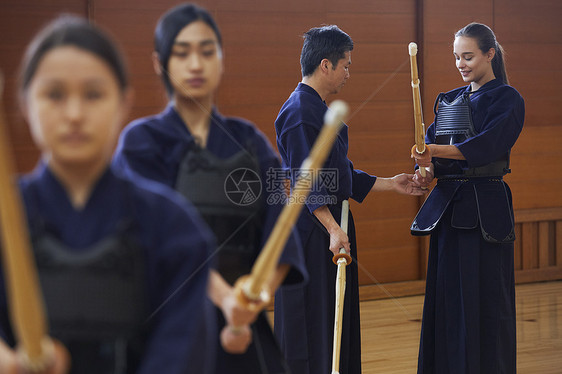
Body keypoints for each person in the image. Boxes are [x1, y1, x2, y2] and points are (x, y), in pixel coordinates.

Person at [0, 15, 217, 374]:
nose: (74, 114)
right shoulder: (7, 214)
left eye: (93, 94)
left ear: (123, 102)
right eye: (54, 94)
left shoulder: (175, 228)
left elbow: (182, 356)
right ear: (25, 103)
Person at [112, 3, 306, 373]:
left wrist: (255, 296)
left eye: (207, 51)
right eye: (182, 53)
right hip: (165, 327)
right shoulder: (141, 143)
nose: (196, 65)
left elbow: (280, 232)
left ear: (221, 57)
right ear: (160, 63)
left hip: (241, 333)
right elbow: (158, 238)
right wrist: (224, 297)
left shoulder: (250, 141)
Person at [273, 25, 425, 374]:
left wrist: (392, 183)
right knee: (309, 321)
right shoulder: (299, 112)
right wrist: (331, 229)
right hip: (311, 230)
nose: (348, 74)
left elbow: (339, 176)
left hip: (330, 224)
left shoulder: (318, 108)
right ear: (325, 65)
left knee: (334, 318)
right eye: (346, 65)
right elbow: (304, 181)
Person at [410, 22, 524, 373]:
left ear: (490, 54)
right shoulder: (449, 100)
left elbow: (487, 145)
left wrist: (434, 150)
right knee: (448, 298)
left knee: (485, 299)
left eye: (469, 56)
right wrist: (425, 169)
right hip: (448, 208)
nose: (461, 63)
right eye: (457, 57)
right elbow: (431, 152)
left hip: (484, 207)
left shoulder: (507, 99)